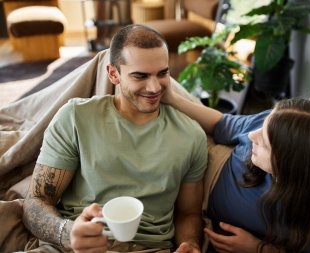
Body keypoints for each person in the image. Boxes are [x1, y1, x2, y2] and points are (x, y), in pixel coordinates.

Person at [22, 24, 208, 253]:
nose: (154, 87)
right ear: (113, 74)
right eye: (140, 76)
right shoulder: (75, 118)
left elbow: (188, 213)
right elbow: (36, 201)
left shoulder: (191, 135)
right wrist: (68, 233)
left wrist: (190, 243)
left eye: (162, 73)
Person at [162, 87, 310, 253]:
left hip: (196, 190)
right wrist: (171, 97)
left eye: (264, 143)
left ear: (290, 166)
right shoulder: (278, 122)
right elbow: (220, 124)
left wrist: (259, 248)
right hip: (210, 145)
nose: (251, 137)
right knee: (147, 80)